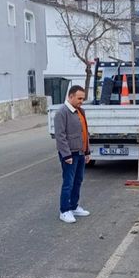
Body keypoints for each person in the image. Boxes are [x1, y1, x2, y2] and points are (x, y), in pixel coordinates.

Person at [54, 85, 91, 224]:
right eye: (79, 98)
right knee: (68, 183)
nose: (82, 101)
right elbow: (60, 136)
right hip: (70, 155)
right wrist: (66, 155)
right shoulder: (62, 113)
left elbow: (85, 132)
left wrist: (87, 151)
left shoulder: (80, 111)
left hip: (81, 152)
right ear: (70, 96)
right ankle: (64, 210)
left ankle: (74, 206)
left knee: (78, 181)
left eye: (83, 98)